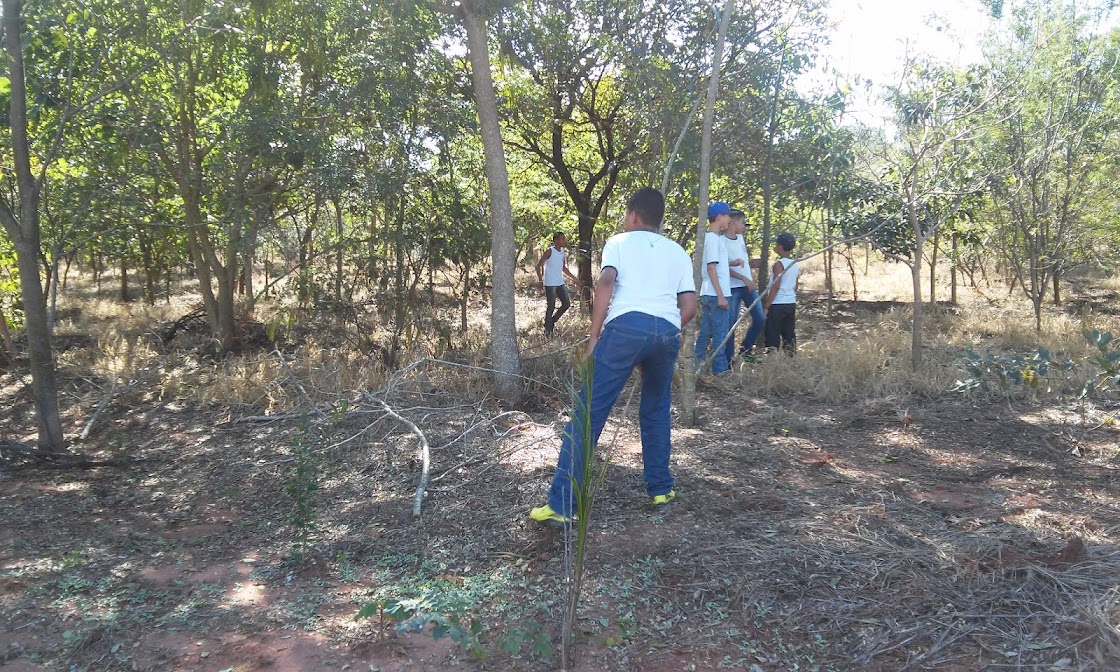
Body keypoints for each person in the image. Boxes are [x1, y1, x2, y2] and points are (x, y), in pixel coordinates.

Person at [530, 188, 698, 525]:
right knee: (655, 408)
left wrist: (595, 336)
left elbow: (606, 282)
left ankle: (561, 505)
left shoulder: (619, 242)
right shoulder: (678, 251)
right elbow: (690, 306)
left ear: (634, 215)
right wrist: (659, 333)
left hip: (624, 329)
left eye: (625, 214)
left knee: (587, 411)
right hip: (667, 332)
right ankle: (661, 488)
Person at [694, 201, 732, 375]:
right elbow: (711, 268)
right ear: (719, 217)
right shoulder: (712, 239)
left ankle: (698, 365)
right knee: (720, 333)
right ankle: (720, 369)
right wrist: (721, 295)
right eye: (727, 216)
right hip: (716, 294)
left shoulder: (712, 239)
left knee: (706, 332)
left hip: (709, 293)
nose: (729, 220)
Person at [722, 210, 765, 363]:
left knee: (760, 318)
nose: (744, 226)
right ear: (733, 221)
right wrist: (744, 279)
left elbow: (742, 262)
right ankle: (727, 360)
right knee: (731, 325)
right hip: (733, 288)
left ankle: (745, 350)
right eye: (742, 222)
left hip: (748, 286)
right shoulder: (721, 241)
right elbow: (723, 267)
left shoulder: (740, 239)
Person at [536, 232, 580, 337]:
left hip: (559, 282)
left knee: (566, 303)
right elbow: (538, 266)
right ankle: (547, 331)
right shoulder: (549, 251)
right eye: (562, 239)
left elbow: (563, 268)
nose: (564, 241)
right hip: (550, 283)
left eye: (564, 239)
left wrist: (574, 278)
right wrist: (540, 280)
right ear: (555, 241)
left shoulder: (562, 252)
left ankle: (551, 321)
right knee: (551, 306)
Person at [762, 231, 800, 353]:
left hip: (777, 304)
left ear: (780, 246)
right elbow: (795, 286)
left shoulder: (779, 264)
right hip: (790, 302)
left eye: (777, 244)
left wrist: (767, 306)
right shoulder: (794, 264)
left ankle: (772, 357)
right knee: (789, 333)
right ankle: (790, 356)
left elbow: (775, 286)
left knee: (772, 333)